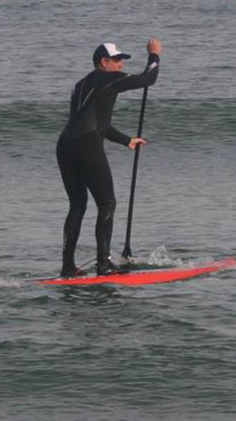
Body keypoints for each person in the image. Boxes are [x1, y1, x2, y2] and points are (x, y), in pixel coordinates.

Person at [55, 38, 161, 277]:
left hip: (65, 146)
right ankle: (103, 264)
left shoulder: (80, 85)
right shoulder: (107, 78)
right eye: (117, 60)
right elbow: (148, 79)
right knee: (107, 203)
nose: (120, 65)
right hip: (86, 146)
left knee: (77, 205)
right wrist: (154, 55)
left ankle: (68, 267)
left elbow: (97, 124)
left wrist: (126, 140)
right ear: (103, 62)